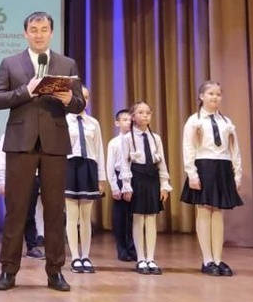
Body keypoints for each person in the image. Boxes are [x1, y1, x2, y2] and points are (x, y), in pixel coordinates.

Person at [0, 11, 85, 292]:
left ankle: (55, 271)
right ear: (25, 33)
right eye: (34, 29)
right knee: (16, 209)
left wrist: (68, 98)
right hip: (21, 141)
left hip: (55, 142)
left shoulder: (66, 64)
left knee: (55, 210)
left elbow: (79, 104)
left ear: (51, 33)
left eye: (44, 29)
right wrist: (26, 92)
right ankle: (8, 270)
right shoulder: (10, 63)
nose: (39, 34)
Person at [180, 81, 244, 276]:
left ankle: (218, 258)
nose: (215, 97)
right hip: (204, 165)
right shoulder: (194, 121)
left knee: (217, 213)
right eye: (211, 94)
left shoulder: (226, 122)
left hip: (222, 166)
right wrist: (192, 173)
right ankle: (207, 259)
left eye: (218, 94)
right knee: (204, 211)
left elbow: (234, 148)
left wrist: (237, 173)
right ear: (201, 97)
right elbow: (188, 147)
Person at [121, 101, 172, 274]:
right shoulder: (128, 138)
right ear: (133, 116)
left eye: (148, 112)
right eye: (141, 112)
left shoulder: (155, 138)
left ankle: (150, 258)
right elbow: (125, 163)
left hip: (152, 178)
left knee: (151, 219)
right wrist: (127, 186)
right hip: (137, 178)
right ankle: (141, 258)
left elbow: (162, 162)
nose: (145, 115)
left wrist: (164, 185)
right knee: (138, 218)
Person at [63, 87, 106, 274]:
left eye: (87, 97)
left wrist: (101, 177)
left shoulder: (93, 123)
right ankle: (74, 257)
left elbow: (99, 150)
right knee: (72, 215)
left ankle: (86, 256)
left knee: (86, 216)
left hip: (88, 167)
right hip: (69, 166)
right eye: (80, 96)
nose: (84, 100)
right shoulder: (64, 120)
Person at [104, 108, 138, 261]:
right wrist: (114, 186)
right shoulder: (114, 143)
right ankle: (122, 248)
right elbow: (110, 165)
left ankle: (133, 248)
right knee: (120, 217)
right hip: (119, 177)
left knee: (133, 215)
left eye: (130, 119)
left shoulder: (136, 140)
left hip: (135, 177)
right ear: (117, 123)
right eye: (125, 120)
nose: (128, 122)